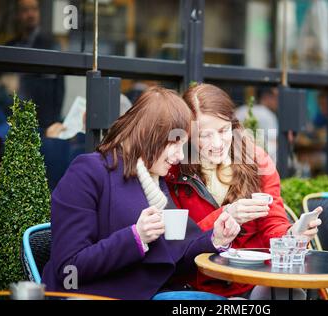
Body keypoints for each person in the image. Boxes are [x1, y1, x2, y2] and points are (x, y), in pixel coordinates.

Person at [42, 86, 241, 300]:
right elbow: (69, 269)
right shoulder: (88, 171)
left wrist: (216, 238)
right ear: (151, 136)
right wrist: (135, 237)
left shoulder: (154, 181)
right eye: (175, 144)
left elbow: (177, 257)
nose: (179, 156)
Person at [166, 83, 322, 299]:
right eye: (204, 135)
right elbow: (175, 245)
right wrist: (225, 215)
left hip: (251, 282)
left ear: (233, 125)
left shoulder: (257, 161)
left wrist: (292, 235)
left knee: (290, 293)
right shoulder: (172, 168)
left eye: (223, 131)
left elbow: (273, 224)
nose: (217, 143)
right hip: (198, 285)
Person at [5, 0, 64, 129]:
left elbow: (54, 89)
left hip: (40, 122)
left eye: (34, 9)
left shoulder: (50, 45)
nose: (31, 14)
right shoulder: (10, 46)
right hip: (11, 117)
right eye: (25, 10)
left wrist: (20, 82)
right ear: (17, 15)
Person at [235, 87, 279, 163]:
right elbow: (273, 145)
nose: (277, 101)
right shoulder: (268, 115)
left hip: (238, 160)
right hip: (260, 162)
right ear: (267, 96)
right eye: (275, 97)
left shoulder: (241, 110)